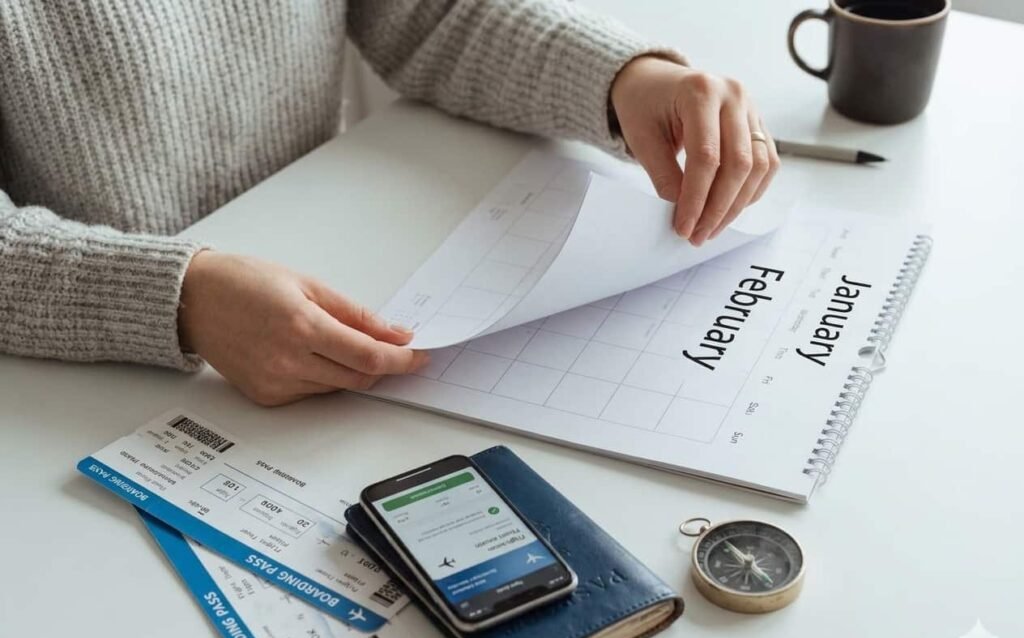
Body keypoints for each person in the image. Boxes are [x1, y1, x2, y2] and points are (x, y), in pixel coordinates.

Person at [0, 0, 778, 406]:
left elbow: (429, 15)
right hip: (106, 387)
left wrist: (624, 78)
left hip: (345, 266)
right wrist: (179, 298)